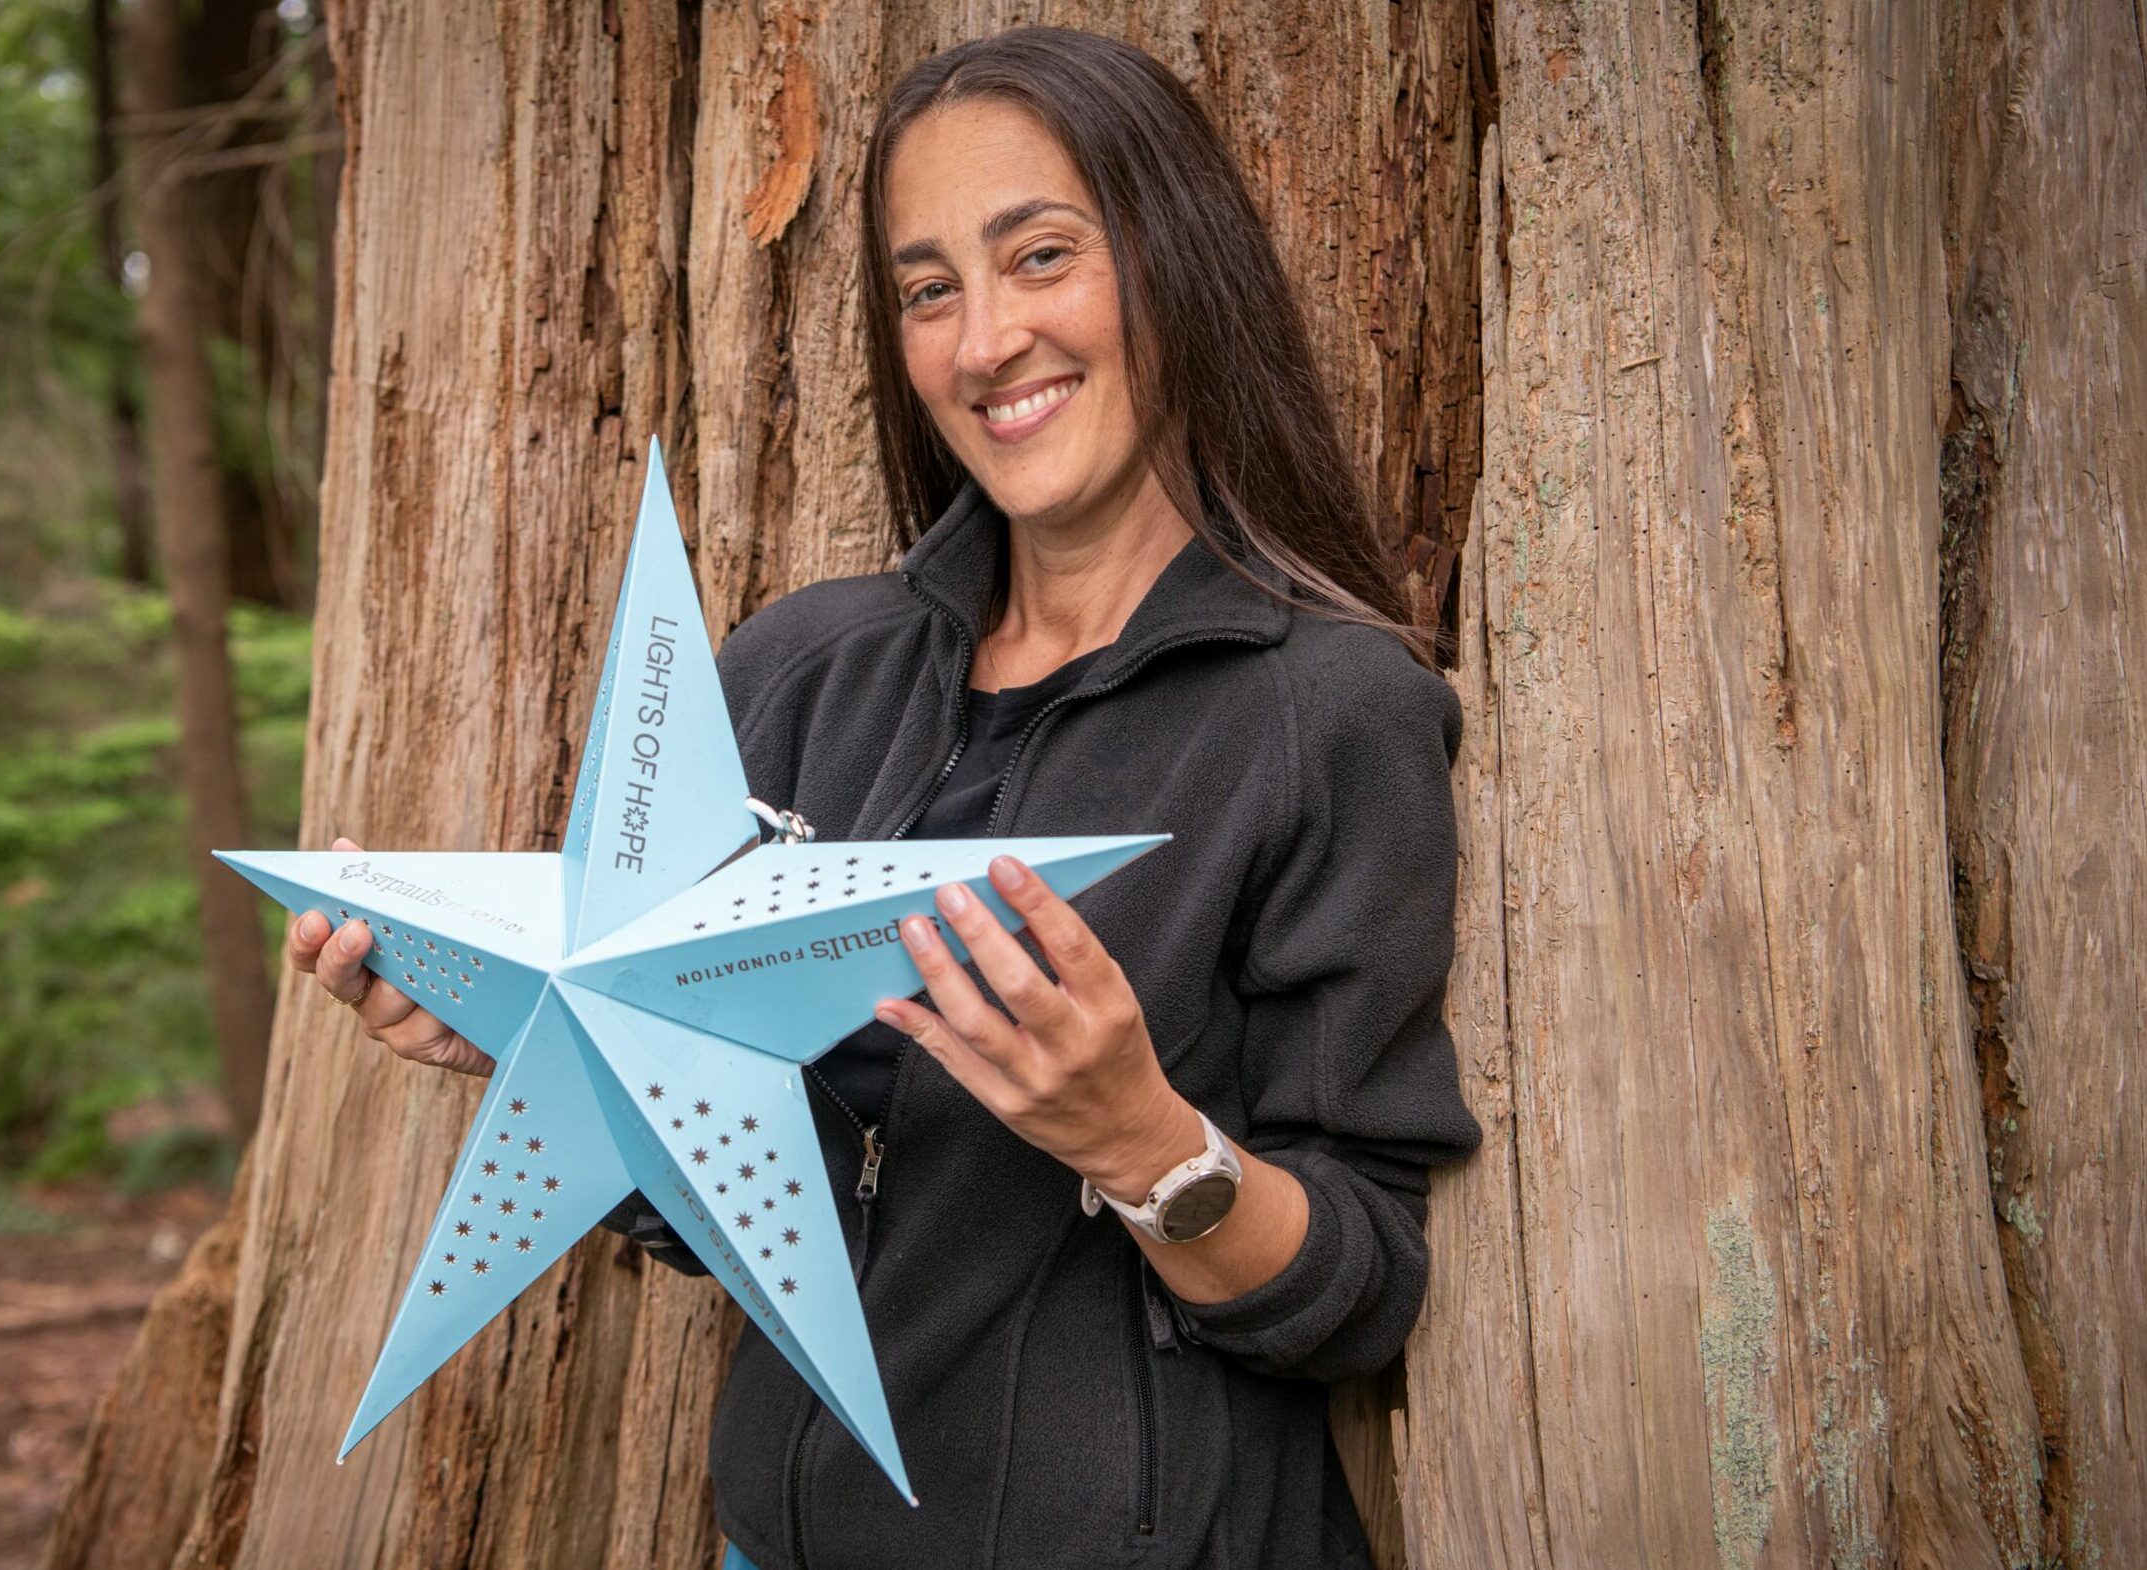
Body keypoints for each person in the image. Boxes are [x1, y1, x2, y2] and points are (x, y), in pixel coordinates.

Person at [281, 25, 1480, 1570]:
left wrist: (1142, 1142)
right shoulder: (797, 672)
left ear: (1176, 262)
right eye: (928, 289)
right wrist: (544, 1042)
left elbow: (1365, 1282)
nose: (984, 341)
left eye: (1040, 255)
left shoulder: (1330, 710)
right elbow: (728, 1201)